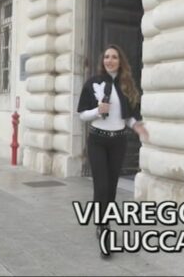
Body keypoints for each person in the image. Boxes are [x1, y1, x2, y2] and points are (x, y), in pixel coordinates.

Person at [77, 44, 149, 258]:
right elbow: (82, 114)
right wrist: (97, 111)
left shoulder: (127, 86)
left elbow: (127, 117)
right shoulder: (92, 84)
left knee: (112, 188)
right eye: (107, 56)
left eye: (114, 57)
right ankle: (103, 228)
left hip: (118, 142)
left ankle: (104, 220)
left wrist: (137, 126)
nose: (110, 60)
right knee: (101, 186)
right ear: (103, 60)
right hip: (98, 141)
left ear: (120, 61)